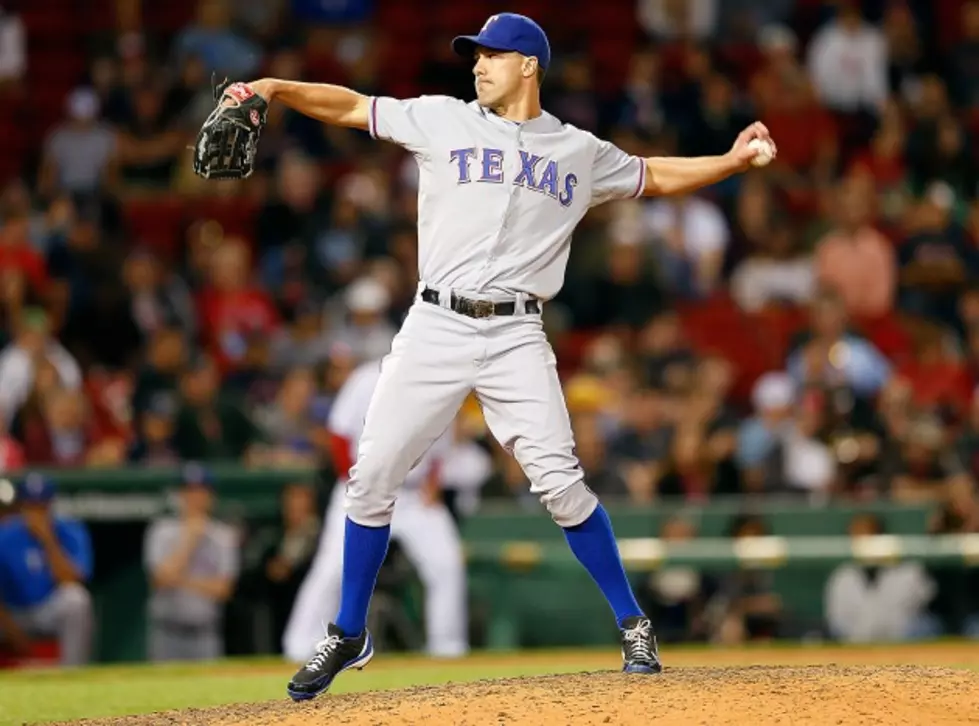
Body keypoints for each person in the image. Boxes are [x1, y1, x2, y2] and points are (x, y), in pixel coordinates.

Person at [233, 12, 776, 699]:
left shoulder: (577, 149)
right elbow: (350, 105)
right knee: (369, 477)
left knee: (560, 483)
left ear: (528, 65)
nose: (477, 66)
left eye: (490, 55)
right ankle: (347, 631)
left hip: (516, 333)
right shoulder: (441, 118)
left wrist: (728, 161)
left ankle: (633, 622)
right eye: (475, 56)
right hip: (435, 323)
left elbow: (653, 175)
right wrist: (276, 86)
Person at [282, 358, 467, 663]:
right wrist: (351, 479)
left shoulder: (437, 382)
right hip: (363, 488)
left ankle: (447, 647)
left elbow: (441, 444)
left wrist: (434, 481)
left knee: (446, 562)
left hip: (412, 496)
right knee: (333, 567)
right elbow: (339, 435)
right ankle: (299, 645)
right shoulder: (365, 380)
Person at [143, 464, 240, 662]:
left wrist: (182, 579)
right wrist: (189, 539)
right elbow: (159, 579)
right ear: (180, 495)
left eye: (201, 491)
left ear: (211, 496)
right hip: (167, 632)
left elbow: (223, 589)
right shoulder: (161, 531)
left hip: (205, 634)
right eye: (189, 491)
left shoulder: (223, 536)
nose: (195, 497)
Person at [0, 473, 94, 666]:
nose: (37, 513)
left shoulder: (69, 529)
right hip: (12, 613)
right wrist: (10, 629)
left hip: (47, 610)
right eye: (32, 505)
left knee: (76, 600)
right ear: (21, 506)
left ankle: (72, 677)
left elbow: (72, 580)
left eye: (42, 506)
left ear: (51, 505)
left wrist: (48, 540)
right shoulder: (5, 535)